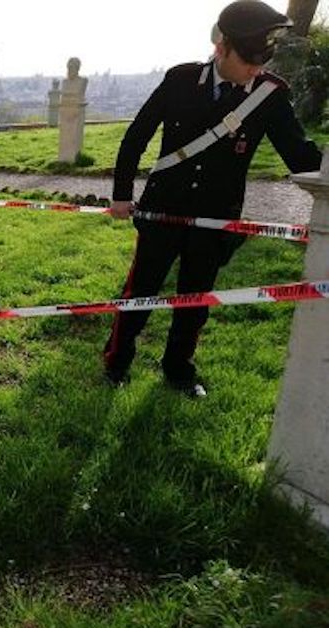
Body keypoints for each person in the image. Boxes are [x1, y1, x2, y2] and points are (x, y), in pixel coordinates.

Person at [104, 0, 322, 398]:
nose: (256, 69)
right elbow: (136, 137)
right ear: (222, 48)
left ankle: (178, 370)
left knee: (196, 299)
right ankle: (116, 362)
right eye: (248, 59)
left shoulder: (269, 95)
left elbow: (300, 155)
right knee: (141, 292)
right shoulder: (179, 80)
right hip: (162, 210)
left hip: (216, 219)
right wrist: (122, 195)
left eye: (263, 60)